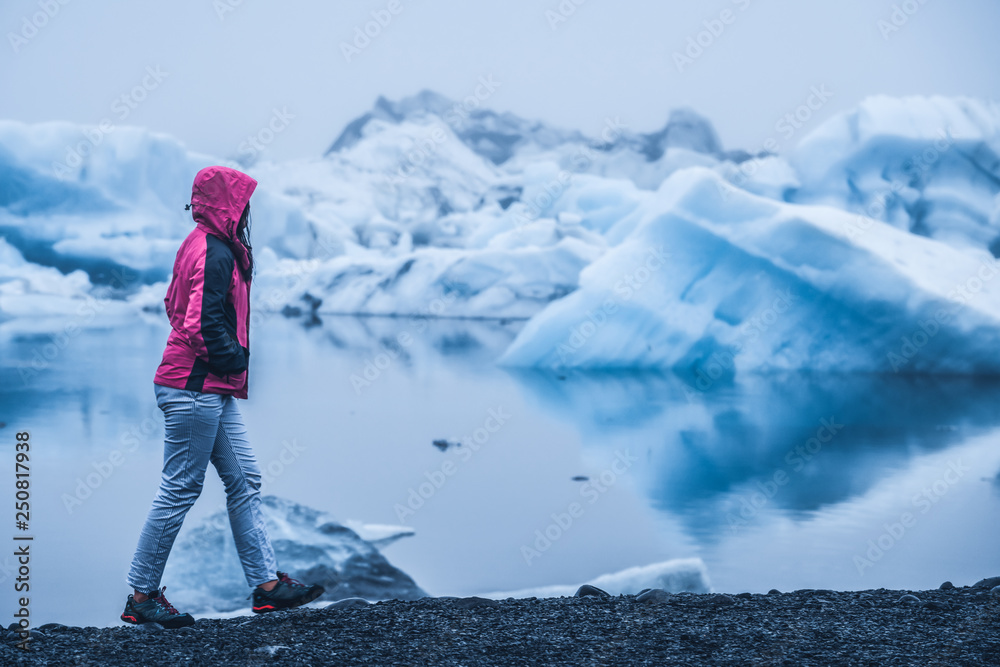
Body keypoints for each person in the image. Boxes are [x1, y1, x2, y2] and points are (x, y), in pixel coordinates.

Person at [121, 166, 323, 629]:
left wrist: (227, 367)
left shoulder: (200, 242)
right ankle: (141, 596)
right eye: (243, 202)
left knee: (244, 477)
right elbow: (196, 323)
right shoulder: (214, 251)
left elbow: (173, 306)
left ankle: (267, 587)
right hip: (194, 387)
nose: (247, 211)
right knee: (180, 488)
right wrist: (233, 360)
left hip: (205, 386)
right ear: (228, 204)